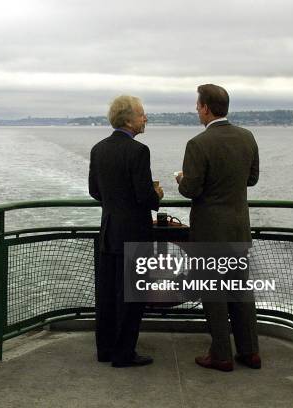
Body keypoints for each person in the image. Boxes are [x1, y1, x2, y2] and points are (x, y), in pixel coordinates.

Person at [176, 84, 261, 372]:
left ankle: (222, 354)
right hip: (238, 229)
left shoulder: (198, 144)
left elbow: (190, 190)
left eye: (198, 105)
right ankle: (250, 352)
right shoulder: (247, 137)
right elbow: (252, 179)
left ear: (205, 108)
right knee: (240, 291)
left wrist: (181, 178)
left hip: (210, 232)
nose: (197, 110)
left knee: (213, 294)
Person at [88, 95, 164, 367]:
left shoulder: (99, 149)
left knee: (107, 296)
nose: (145, 118)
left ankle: (105, 349)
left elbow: (94, 191)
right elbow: (145, 197)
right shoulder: (138, 151)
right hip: (134, 233)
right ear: (129, 119)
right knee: (132, 298)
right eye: (142, 114)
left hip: (109, 232)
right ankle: (124, 354)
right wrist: (158, 195)